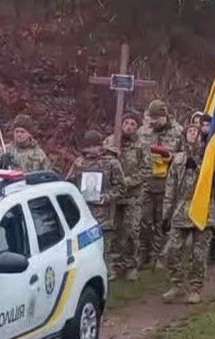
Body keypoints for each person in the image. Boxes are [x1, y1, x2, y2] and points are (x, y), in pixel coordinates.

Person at [160, 123, 211, 305]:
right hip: (181, 210)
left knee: (198, 254)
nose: (192, 134)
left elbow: (213, 181)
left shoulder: (208, 156)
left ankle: (195, 288)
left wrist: (197, 167)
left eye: (196, 131)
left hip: (202, 210)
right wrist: (166, 214)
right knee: (172, 250)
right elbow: (170, 187)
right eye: (189, 131)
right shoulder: (178, 159)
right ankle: (176, 284)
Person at [66, 130, 125, 278]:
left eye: (95, 146)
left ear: (100, 146)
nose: (92, 150)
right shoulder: (79, 163)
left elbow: (121, 187)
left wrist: (106, 197)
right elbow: (69, 183)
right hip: (84, 212)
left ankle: (108, 272)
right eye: (89, 146)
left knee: (105, 244)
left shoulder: (111, 163)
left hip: (104, 213)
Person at [138, 99, 182, 270]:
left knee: (162, 221)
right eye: (151, 118)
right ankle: (143, 253)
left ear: (165, 116)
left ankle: (157, 256)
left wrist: (172, 158)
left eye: (157, 118)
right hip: (146, 182)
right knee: (143, 220)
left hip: (167, 184)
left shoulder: (178, 132)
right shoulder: (143, 131)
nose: (153, 121)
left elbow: (186, 154)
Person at [105, 111, 148, 280]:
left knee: (131, 230)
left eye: (132, 124)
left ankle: (131, 265)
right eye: (126, 123)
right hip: (114, 195)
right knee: (113, 230)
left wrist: (127, 181)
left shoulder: (141, 145)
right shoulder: (110, 142)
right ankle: (114, 266)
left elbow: (146, 169)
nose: (129, 127)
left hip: (133, 195)